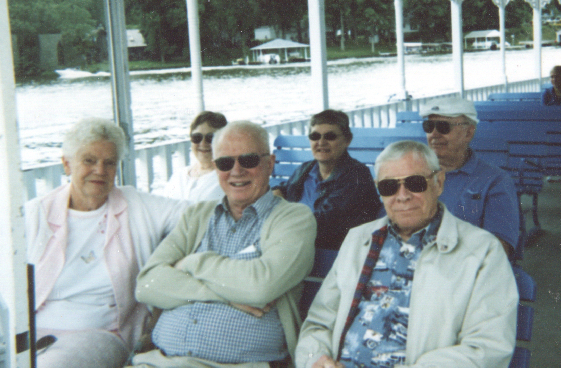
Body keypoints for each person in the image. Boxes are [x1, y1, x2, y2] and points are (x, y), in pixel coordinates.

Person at [295, 140, 517, 368]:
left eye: (415, 183)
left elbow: (488, 346)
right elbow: (318, 323)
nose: (402, 196)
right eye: (389, 187)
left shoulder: (482, 251)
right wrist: (315, 359)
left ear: (439, 182)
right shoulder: (358, 239)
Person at [132, 120, 316, 368]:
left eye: (248, 160)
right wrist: (227, 297)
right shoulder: (197, 215)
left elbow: (260, 288)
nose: (236, 171)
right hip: (159, 361)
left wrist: (192, 262)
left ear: (270, 164)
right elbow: (147, 284)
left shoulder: (294, 218)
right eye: (225, 163)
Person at [25, 118, 186, 368]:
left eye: (109, 162)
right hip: (35, 336)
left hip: (101, 334)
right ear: (67, 164)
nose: (100, 170)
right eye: (89, 160)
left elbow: (197, 214)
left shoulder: (137, 206)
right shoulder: (37, 213)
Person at [418, 96, 520, 258]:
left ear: (468, 133)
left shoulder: (495, 181)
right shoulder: (412, 175)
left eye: (444, 127)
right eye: (429, 126)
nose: (434, 134)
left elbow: (499, 249)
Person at [273, 110, 381, 250]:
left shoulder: (357, 175)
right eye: (315, 136)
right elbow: (284, 189)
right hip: (293, 241)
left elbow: (326, 222)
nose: (321, 142)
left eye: (330, 136)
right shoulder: (306, 170)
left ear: (347, 140)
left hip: (332, 251)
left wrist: (279, 220)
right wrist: (276, 191)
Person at [162, 111, 228, 203]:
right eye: (197, 137)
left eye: (210, 138)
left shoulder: (228, 178)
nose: (203, 143)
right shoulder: (179, 176)